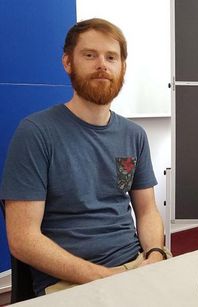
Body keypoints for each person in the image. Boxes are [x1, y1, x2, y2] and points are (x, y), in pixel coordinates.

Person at [0, 18, 170, 296]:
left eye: (111, 57)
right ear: (68, 63)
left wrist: (155, 255)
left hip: (136, 265)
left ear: (122, 68)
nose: (102, 64)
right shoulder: (35, 133)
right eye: (90, 55)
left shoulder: (134, 135)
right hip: (69, 280)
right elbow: (22, 238)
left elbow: (147, 210)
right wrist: (105, 277)